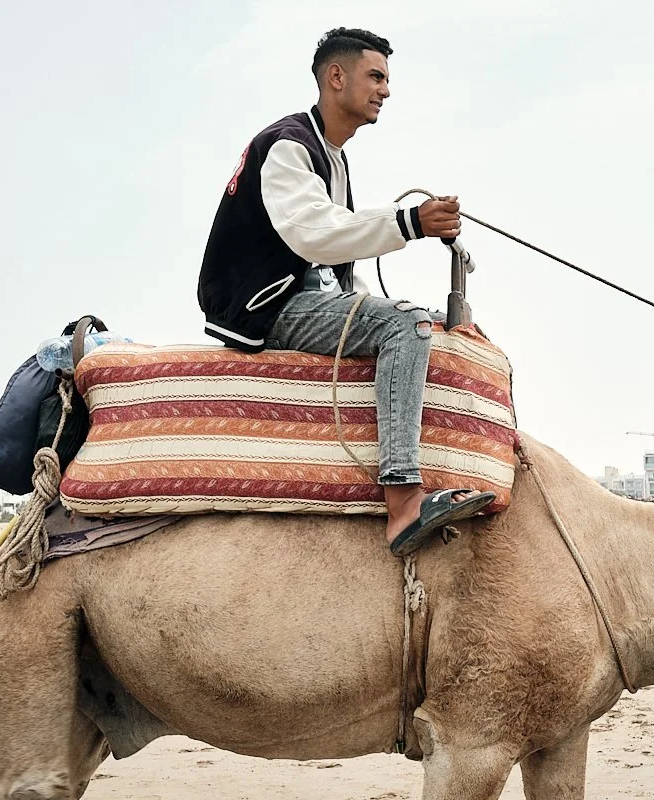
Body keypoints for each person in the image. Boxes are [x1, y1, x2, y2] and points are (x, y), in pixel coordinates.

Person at [198, 27, 493, 556]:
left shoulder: (329, 154)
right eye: (376, 76)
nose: (386, 90)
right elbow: (318, 234)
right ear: (337, 77)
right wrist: (411, 223)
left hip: (301, 295)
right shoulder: (288, 146)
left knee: (414, 319)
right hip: (267, 306)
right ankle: (403, 499)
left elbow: (331, 255)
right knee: (408, 323)